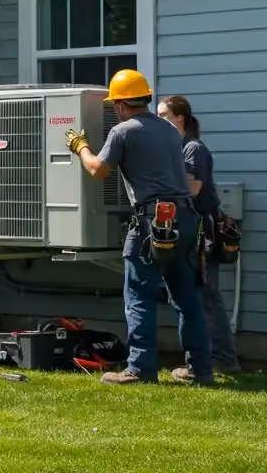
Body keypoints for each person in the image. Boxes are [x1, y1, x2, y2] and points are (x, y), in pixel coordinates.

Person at [64, 70, 213, 386]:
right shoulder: (171, 132)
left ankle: (140, 369)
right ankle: (199, 370)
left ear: (119, 104)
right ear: (144, 97)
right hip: (185, 220)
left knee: (139, 296)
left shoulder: (122, 132)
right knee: (187, 299)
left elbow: (97, 170)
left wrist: (79, 146)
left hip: (152, 221)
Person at [158, 95, 241, 375]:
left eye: (162, 116)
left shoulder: (193, 149)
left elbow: (192, 188)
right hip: (187, 230)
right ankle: (200, 360)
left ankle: (220, 359)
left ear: (178, 119)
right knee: (190, 296)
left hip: (202, 232)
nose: (157, 122)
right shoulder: (176, 148)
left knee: (204, 296)